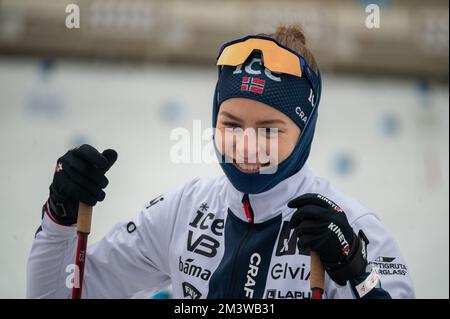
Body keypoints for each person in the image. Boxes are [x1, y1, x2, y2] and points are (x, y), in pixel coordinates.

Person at [27, 25, 415, 299]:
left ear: (305, 133)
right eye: (231, 124)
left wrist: (356, 275)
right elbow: (59, 294)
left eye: (268, 130)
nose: (245, 146)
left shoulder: (352, 228)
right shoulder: (184, 209)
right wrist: (59, 215)